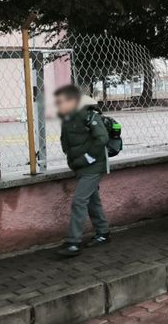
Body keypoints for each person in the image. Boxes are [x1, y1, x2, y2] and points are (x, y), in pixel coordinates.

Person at [54, 85, 111, 257]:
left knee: (79, 201)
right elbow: (66, 142)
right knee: (92, 200)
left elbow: (102, 138)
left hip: (93, 166)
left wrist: (88, 157)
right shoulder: (67, 119)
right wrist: (73, 160)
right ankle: (103, 233)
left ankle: (74, 242)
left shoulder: (89, 116)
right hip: (81, 166)